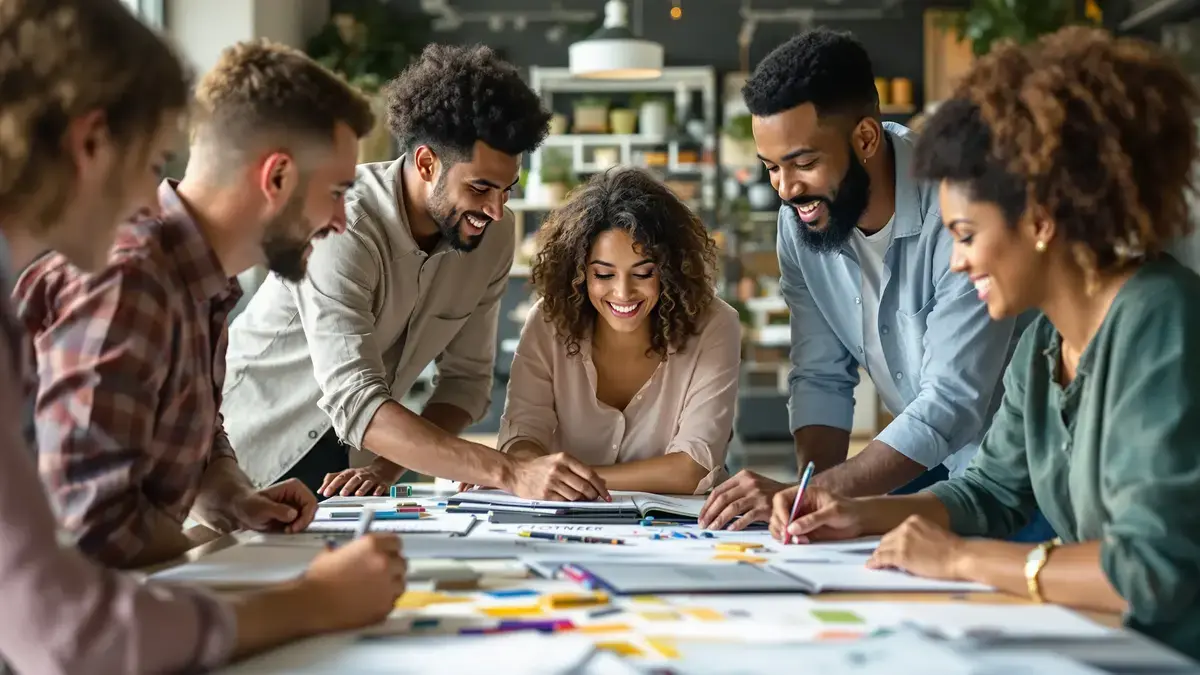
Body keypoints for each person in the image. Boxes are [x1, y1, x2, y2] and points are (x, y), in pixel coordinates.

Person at [772, 27, 1200, 661]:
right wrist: (853, 511)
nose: (961, 262)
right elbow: (990, 494)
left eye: (967, 235)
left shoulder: (1160, 319)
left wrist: (965, 559)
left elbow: (1151, 570)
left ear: (1041, 220)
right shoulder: (1045, 343)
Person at [0, 2, 404, 673]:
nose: (150, 197)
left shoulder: (204, 286)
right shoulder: (129, 277)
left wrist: (229, 496)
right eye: (154, 158)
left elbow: (185, 430)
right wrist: (307, 599)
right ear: (91, 144)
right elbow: (85, 546)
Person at [221, 44, 610, 503]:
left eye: (508, 189)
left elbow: (466, 383)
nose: (496, 209)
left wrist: (386, 469)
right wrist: (510, 472)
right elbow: (356, 398)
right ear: (427, 163)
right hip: (249, 449)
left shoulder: (491, 235)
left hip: (354, 464)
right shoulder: (345, 224)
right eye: (480, 187)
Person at [699, 28, 1026, 531]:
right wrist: (806, 510)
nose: (786, 189)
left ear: (866, 138)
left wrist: (809, 493)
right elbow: (821, 374)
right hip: (930, 468)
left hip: (1017, 478)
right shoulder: (799, 221)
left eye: (803, 162)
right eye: (770, 168)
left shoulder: (958, 211)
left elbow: (951, 402)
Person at [495, 168, 741, 496]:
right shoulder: (548, 321)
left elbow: (692, 468)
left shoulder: (715, 325)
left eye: (643, 273)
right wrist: (523, 467)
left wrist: (555, 477)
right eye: (604, 275)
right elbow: (522, 436)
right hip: (568, 522)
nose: (623, 293)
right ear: (579, 273)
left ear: (670, 271)